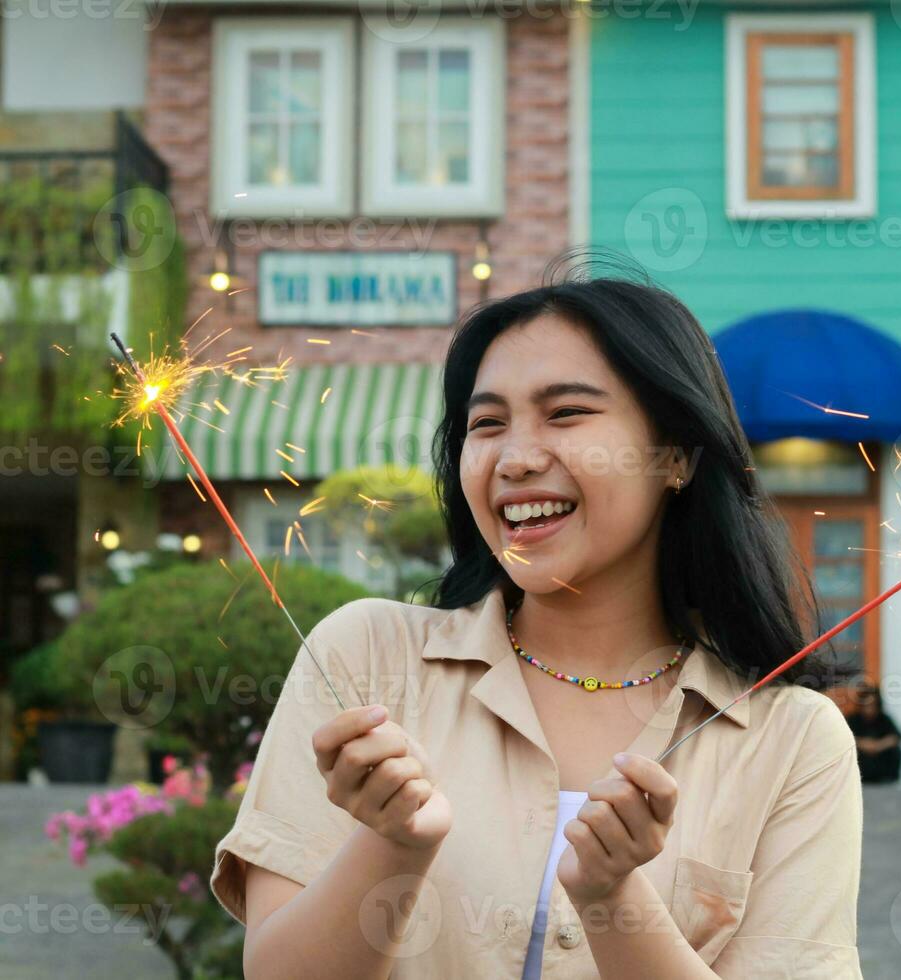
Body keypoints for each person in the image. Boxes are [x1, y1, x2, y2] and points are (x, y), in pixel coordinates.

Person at [211, 260, 867, 980]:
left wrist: (613, 897)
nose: (515, 459)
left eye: (567, 413)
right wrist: (392, 845)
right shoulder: (364, 660)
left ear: (674, 455)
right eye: (486, 424)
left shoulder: (793, 740)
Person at [842, 684, 901, 784]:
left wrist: (878, 746)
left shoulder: (884, 719)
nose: (869, 708)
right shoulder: (852, 719)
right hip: (860, 761)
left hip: (880, 760)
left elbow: (896, 737)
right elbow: (842, 737)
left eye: (872, 705)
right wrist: (862, 744)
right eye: (866, 705)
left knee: (895, 751)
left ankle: (889, 780)